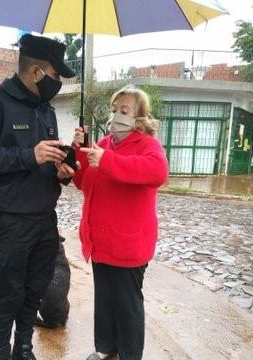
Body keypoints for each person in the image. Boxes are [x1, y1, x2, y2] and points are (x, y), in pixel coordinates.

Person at [0, 34, 76, 360]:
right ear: (37, 72)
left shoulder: (45, 110)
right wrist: (29, 155)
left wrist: (61, 172)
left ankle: (23, 347)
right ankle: (1, 352)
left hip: (45, 220)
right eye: (56, 76)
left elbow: (45, 161)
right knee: (6, 295)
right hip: (10, 220)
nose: (58, 83)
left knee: (34, 290)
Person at [72, 86, 169, 360]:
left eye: (125, 111)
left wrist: (107, 160)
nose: (117, 116)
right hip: (100, 241)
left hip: (128, 244)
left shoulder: (148, 145)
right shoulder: (103, 144)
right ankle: (106, 348)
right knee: (105, 299)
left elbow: (158, 172)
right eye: (114, 110)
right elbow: (84, 182)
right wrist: (80, 151)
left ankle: (129, 354)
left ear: (140, 117)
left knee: (127, 304)